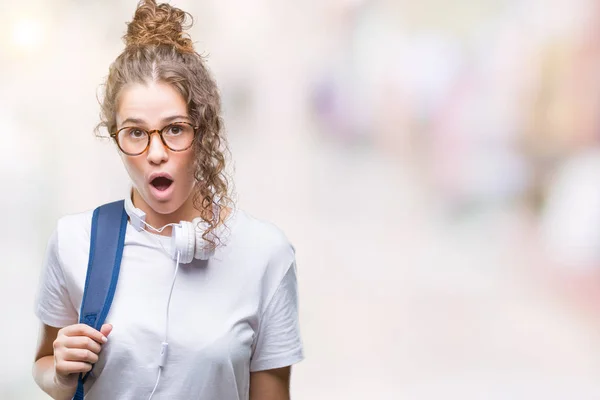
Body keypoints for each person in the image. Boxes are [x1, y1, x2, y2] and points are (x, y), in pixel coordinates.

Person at [31, 1, 304, 399]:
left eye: (174, 129)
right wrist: (58, 375)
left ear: (203, 130)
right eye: (136, 132)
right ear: (116, 137)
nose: (155, 153)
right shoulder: (75, 240)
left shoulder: (265, 254)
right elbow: (44, 366)